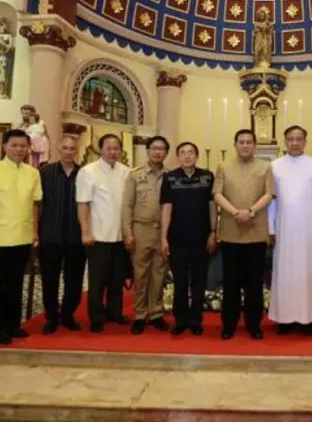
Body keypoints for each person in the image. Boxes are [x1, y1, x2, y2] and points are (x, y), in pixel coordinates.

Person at [0, 129, 42, 345]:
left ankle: (14, 324)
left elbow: (34, 205)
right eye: (14, 145)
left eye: (23, 146)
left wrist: (34, 232)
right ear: (5, 146)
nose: (19, 149)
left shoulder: (33, 173)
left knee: (16, 284)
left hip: (23, 236)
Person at [267, 125, 312, 336]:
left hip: (308, 229)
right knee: (284, 272)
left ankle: (307, 318)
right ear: (285, 141)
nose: (294, 142)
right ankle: (284, 318)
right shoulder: (275, 165)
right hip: (283, 228)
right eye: (291, 139)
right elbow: (271, 200)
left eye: (299, 138)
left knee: (307, 272)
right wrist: (271, 228)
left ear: (305, 141)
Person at [213, 130, 274, 340]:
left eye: (249, 142)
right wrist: (235, 213)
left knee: (254, 283)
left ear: (255, 145)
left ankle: (253, 324)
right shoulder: (223, 166)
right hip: (230, 231)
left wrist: (251, 211)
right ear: (235, 145)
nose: (245, 145)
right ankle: (229, 324)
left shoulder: (265, 167)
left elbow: (269, 194)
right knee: (230, 282)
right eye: (241, 142)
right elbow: (217, 194)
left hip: (256, 232)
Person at [160, 141, 217, 336]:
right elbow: (166, 208)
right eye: (183, 152)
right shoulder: (169, 178)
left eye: (191, 152)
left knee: (199, 281)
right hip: (177, 239)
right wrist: (163, 238)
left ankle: (196, 320)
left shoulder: (207, 177)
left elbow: (212, 206)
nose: (187, 156)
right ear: (178, 157)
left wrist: (213, 232)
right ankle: (181, 320)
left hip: (202, 239)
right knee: (180, 281)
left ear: (196, 156)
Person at [76, 134, 131, 333]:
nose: (113, 152)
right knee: (98, 279)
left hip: (120, 235)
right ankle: (96, 316)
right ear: (100, 149)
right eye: (108, 148)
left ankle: (115, 312)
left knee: (117, 278)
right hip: (98, 234)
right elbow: (82, 204)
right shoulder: (88, 171)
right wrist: (85, 232)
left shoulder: (126, 171)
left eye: (116, 148)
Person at [122, 135, 170, 335]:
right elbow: (127, 205)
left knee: (159, 274)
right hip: (140, 229)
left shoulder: (170, 176)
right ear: (148, 150)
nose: (157, 152)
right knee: (140, 274)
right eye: (154, 148)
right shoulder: (135, 175)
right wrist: (128, 233)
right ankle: (140, 314)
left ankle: (156, 313)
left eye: (162, 149)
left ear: (166, 153)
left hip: (162, 231)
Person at [38, 135, 85, 334]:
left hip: (76, 234)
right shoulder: (45, 172)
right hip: (50, 234)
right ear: (58, 148)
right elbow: (38, 204)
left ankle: (68, 314)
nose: (68, 152)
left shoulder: (84, 173)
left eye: (72, 148)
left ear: (77, 151)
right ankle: (51, 316)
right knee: (49, 279)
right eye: (65, 148)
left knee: (74, 279)